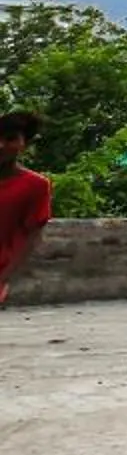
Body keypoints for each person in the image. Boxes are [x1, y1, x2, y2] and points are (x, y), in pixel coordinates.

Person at [0, 109, 50, 307]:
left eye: (10, 139)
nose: (1, 145)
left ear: (25, 144)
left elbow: (32, 236)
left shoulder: (35, 185)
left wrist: (4, 278)